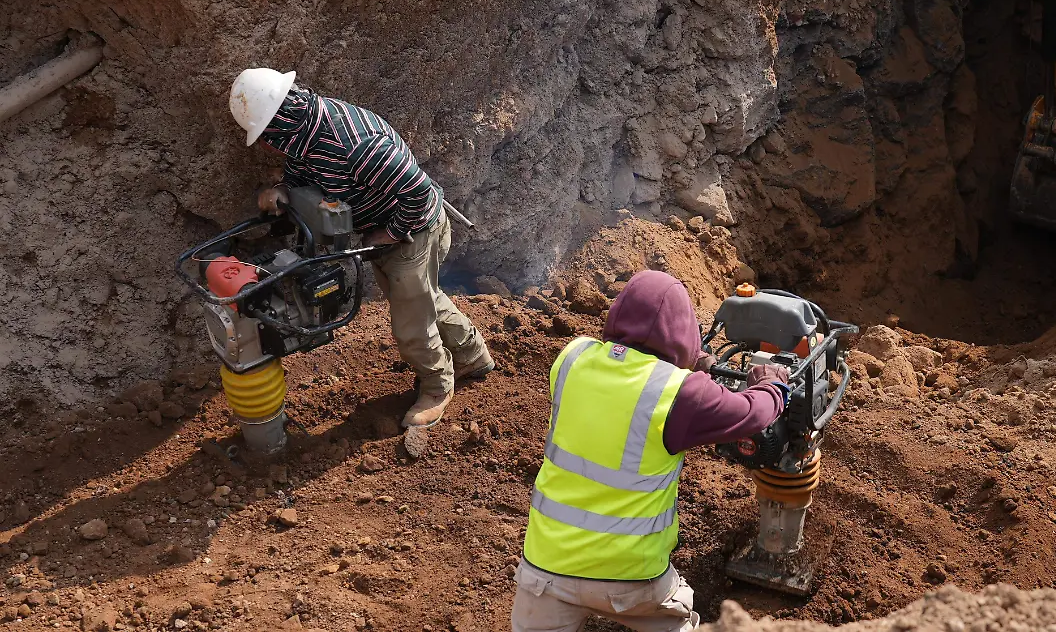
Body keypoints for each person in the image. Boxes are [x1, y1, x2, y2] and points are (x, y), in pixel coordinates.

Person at [512, 270, 791, 632]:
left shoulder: (572, 358)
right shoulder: (679, 394)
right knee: (675, 620)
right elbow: (753, 414)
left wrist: (692, 368)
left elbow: (627, 385)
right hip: (630, 580)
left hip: (544, 573)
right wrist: (771, 385)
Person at [227, 67, 492, 428]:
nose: (264, 145)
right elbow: (305, 168)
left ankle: (437, 386)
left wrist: (389, 235)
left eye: (264, 136)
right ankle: (473, 356)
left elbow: (416, 192)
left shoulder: (354, 144)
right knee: (421, 299)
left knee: (411, 325)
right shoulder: (306, 129)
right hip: (384, 227)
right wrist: (284, 189)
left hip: (413, 228)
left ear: (280, 123)